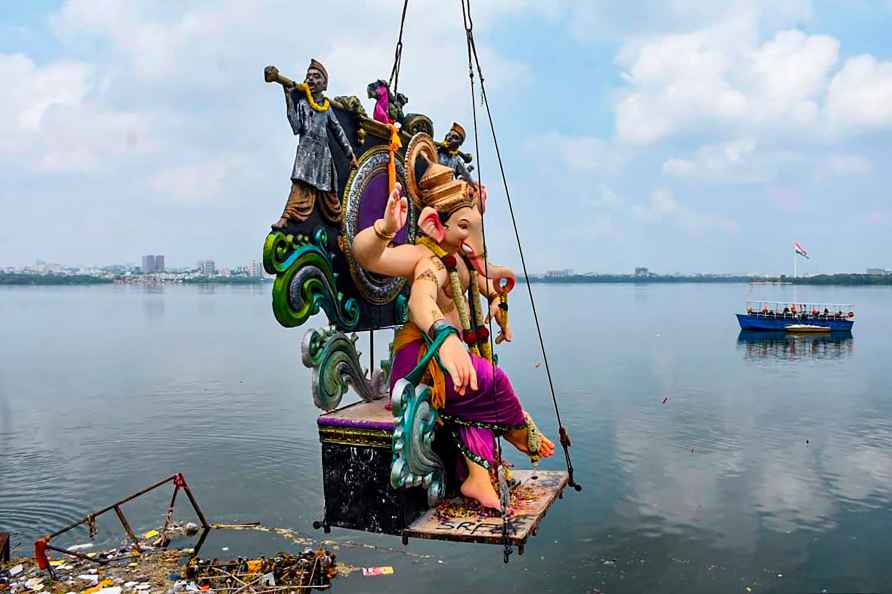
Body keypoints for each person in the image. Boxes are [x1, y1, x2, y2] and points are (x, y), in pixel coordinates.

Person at [272, 59, 358, 229]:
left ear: (324, 85)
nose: (311, 79)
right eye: (308, 76)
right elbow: (296, 127)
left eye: (316, 77)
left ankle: (340, 225)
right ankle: (286, 217)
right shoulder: (304, 104)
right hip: (306, 153)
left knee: (330, 196)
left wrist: (350, 155)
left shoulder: (326, 108)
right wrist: (288, 98)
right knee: (299, 187)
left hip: (323, 155)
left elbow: (339, 132)